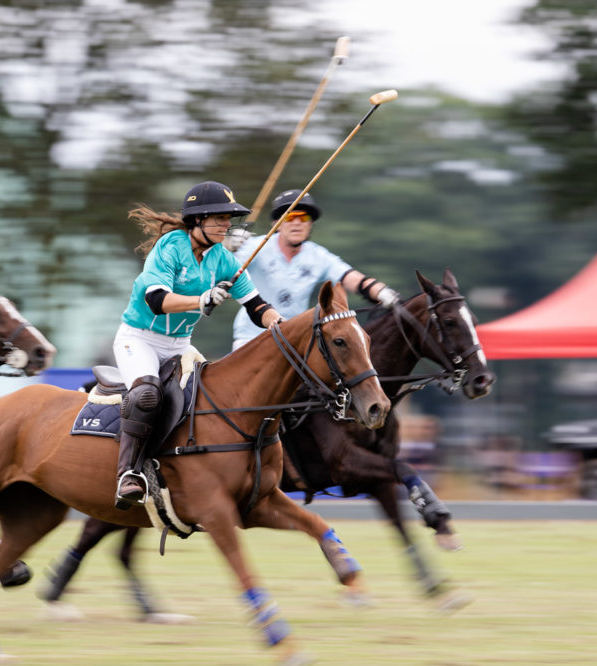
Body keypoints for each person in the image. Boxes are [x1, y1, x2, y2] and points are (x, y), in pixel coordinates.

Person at [112, 180, 284, 508]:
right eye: (219, 218)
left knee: (215, 398)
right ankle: (129, 473)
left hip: (179, 344)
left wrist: (280, 323)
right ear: (198, 221)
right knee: (147, 393)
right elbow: (156, 300)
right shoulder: (170, 246)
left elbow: (256, 305)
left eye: (228, 218)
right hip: (140, 339)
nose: (226, 225)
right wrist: (200, 299)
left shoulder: (223, 259)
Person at [227, 189, 400, 350]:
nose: (297, 223)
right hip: (252, 338)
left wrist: (383, 293)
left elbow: (351, 277)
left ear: (310, 224)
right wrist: (226, 247)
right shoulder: (254, 247)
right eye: (289, 217)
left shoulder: (318, 256)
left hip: (294, 341)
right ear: (276, 224)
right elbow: (224, 273)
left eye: (303, 218)